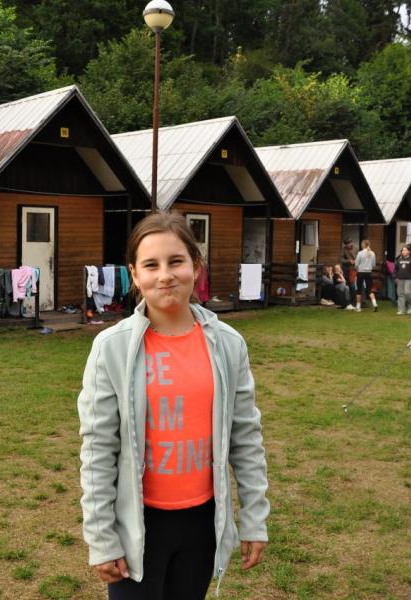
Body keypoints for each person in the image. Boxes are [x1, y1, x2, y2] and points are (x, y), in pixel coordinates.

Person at [77, 212, 270, 600]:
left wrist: (254, 518)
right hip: (137, 525)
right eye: (151, 265)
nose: (165, 275)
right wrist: (101, 537)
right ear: (135, 275)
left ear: (196, 267)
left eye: (176, 261)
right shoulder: (111, 348)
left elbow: (246, 438)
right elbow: (98, 449)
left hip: (202, 523)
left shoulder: (229, 344)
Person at [393, 244, 411, 315]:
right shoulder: (399, 260)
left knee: (407, 293)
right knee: (400, 294)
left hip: (409, 280)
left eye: (405, 250)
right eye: (403, 250)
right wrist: (395, 277)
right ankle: (401, 309)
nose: (404, 251)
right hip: (400, 279)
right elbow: (395, 270)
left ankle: (410, 306)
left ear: (409, 252)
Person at [354, 239, 378, 312]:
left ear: (363, 245)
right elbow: (373, 265)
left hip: (360, 272)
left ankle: (358, 307)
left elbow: (356, 264)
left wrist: (357, 268)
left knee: (358, 290)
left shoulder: (360, 253)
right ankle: (375, 304)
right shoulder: (372, 253)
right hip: (369, 273)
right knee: (369, 290)